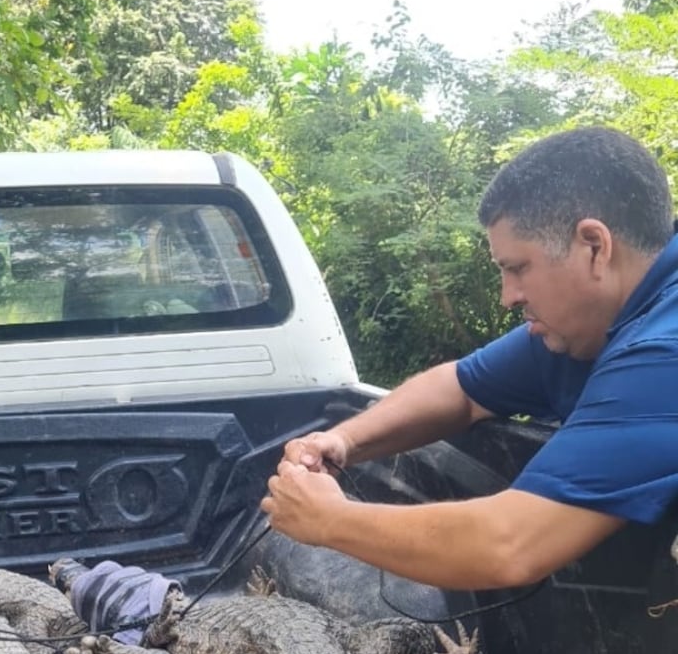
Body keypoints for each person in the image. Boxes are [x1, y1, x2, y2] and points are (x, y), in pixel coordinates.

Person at [260, 126, 678, 590]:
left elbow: (509, 544)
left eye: (518, 269)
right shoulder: (591, 323)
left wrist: (329, 520)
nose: (508, 297)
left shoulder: (664, 352)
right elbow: (460, 388)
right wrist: (344, 441)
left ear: (594, 247)